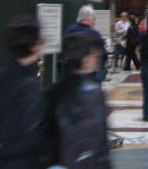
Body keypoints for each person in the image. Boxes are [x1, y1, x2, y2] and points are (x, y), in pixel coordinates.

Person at [45, 32, 110, 168]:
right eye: (94, 53)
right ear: (86, 60)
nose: (97, 57)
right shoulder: (94, 94)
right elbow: (100, 145)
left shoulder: (52, 92)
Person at [0, 16, 47, 169]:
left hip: (2, 159)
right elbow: (32, 133)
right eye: (41, 39)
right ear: (33, 46)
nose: (44, 43)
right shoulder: (29, 84)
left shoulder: (0, 74)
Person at [66, 4, 107, 82]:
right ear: (89, 19)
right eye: (94, 19)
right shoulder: (94, 33)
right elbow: (103, 55)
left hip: (71, 72)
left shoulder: (70, 30)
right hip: (89, 74)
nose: (94, 21)